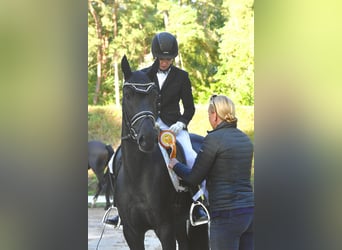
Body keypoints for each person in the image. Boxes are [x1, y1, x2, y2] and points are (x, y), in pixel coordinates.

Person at [105, 31, 207, 226]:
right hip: (148, 126)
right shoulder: (143, 74)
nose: (165, 62)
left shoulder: (182, 77)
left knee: (192, 157)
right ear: (155, 56)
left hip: (173, 127)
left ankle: (197, 204)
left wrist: (182, 123)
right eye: (161, 58)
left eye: (168, 59)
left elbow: (190, 107)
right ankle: (120, 208)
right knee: (113, 162)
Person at [168, 95, 255, 250]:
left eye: (209, 114)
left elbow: (193, 178)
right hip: (249, 213)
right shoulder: (245, 140)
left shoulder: (213, 140)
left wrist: (176, 165)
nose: (209, 117)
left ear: (215, 115)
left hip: (226, 215)